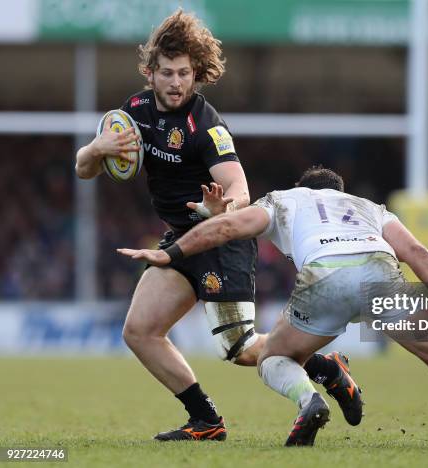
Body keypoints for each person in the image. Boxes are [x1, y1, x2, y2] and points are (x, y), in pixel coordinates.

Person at [118, 166, 428, 448]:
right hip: (380, 272)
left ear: (307, 185)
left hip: (326, 280)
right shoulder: (369, 208)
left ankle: (309, 399)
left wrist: (170, 252)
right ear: (339, 188)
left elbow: (225, 229)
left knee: (271, 356)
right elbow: (418, 254)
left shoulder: (285, 199)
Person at [75, 11, 361, 441]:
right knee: (139, 331)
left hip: (222, 239)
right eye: (167, 72)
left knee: (242, 350)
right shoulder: (132, 113)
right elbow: (83, 169)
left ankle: (327, 368)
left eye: (184, 74)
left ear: (196, 75)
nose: (175, 82)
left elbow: (239, 190)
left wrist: (222, 208)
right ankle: (206, 421)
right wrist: (96, 147)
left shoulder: (206, 126)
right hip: (180, 240)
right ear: (150, 73)